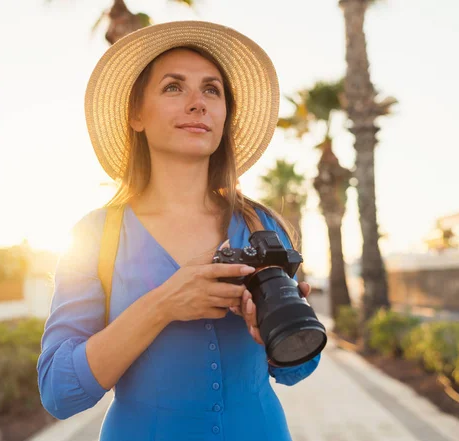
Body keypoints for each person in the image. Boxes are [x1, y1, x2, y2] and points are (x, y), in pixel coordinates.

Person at [37, 20, 321, 441]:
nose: (197, 103)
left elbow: (297, 370)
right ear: (136, 113)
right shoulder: (95, 236)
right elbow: (59, 393)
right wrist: (163, 304)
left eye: (212, 90)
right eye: (173, 87)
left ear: (225, 114)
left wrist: (278, 336)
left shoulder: (262, 225)